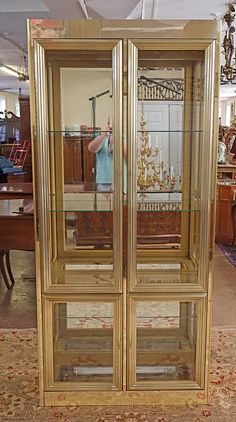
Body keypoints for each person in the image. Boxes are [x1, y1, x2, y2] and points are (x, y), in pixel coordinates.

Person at [88, 125, 113, 192]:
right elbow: (91, 148)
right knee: (102, 202)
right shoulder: (101, 138)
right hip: (103, 182)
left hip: (121, 182)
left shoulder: (124, 137)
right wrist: (104, 135)